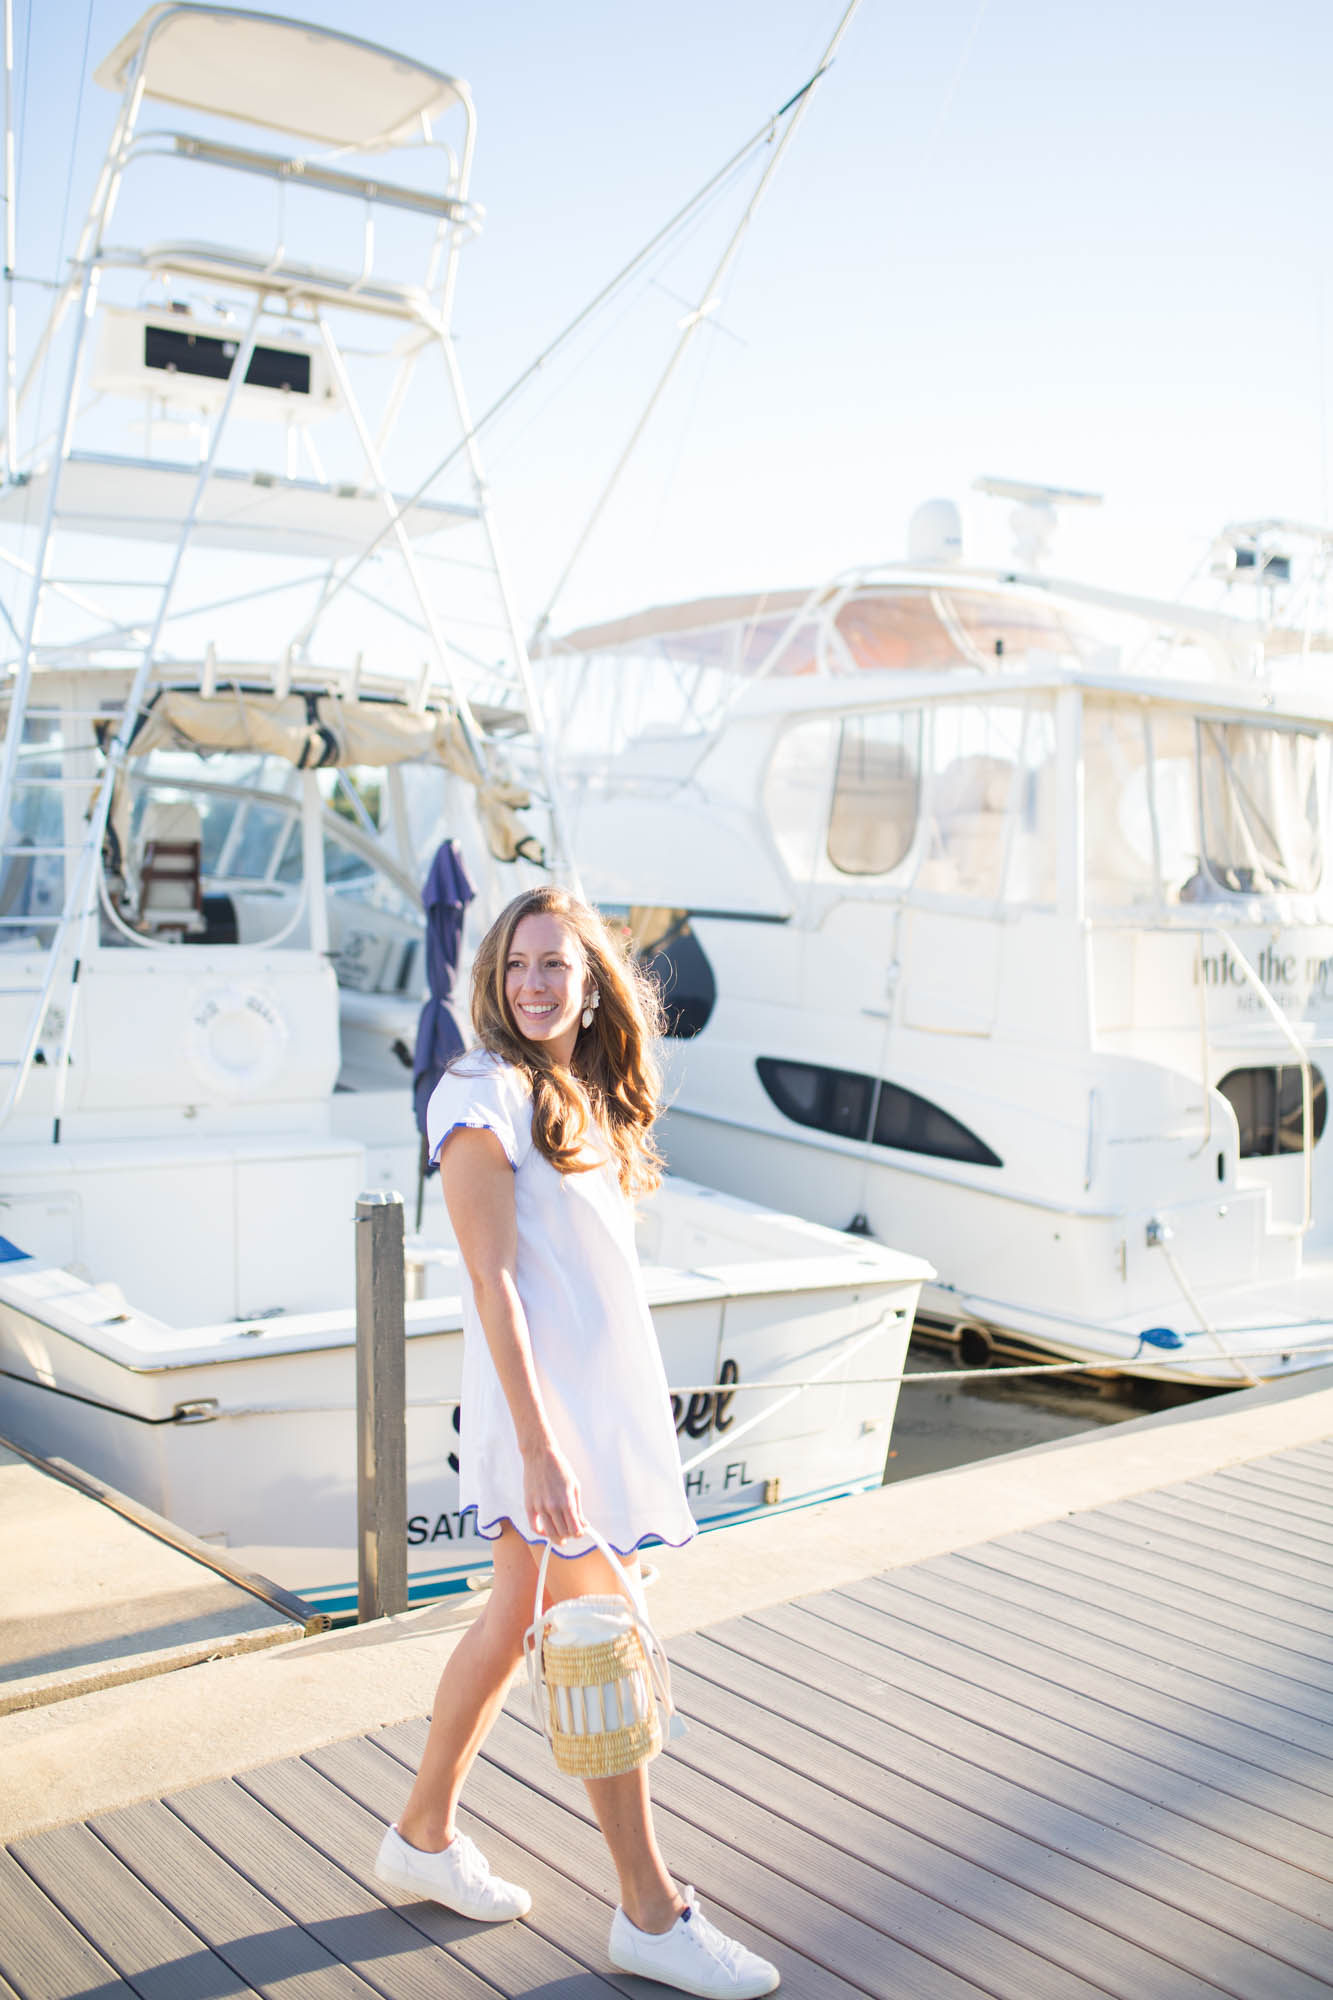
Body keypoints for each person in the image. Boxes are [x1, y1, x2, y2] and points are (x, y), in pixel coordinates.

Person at [374, 885, 780, 1998]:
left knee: (514, 1623)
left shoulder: (576, 1091)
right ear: (493, 982)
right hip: (544, 1424)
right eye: (516, 965)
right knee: (600, 1646)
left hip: (588, 1420)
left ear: (591, 978)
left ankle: (419, 1832)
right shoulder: (481, 1090)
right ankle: (651, 1910)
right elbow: (492, 1279)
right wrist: (546, 1447)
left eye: (555, 963)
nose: (535, 982)